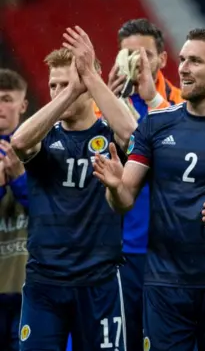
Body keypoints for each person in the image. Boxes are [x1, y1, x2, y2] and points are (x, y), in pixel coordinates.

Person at [92, 27, 205, 351]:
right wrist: (113, 186)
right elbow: (124, 200)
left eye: (195, 61)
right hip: (166, 285)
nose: (183, 68)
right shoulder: (155, 125)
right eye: (182, 60)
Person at [11, 27, 137, 350]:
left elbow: (134, 137)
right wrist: (71, 92)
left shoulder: (109, 136)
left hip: (100, 282)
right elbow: (19, 142)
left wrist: (92, 82)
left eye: (66, 84)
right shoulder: (45, 137)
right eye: (53, 85)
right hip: (44, 283)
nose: (57, 91)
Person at [98, 18, 183, 351]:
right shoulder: (99, 107)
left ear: (162, 59)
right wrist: (106, 100)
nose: (137, 62)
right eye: (128, 54)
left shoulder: (183, 105)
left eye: (145, 54)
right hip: (120, 251)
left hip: (171, 248)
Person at [0, 69, 29, 351]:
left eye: (7, 98)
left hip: (28, 283)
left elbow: (50, 209)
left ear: (23, 105)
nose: (0, 106)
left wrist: (19, 179)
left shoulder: (38, 148)